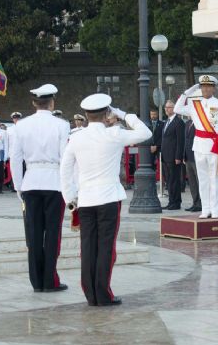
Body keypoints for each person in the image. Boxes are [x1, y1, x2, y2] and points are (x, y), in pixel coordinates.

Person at [60, 93, 152, 306]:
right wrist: (122, 114)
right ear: (106, 114)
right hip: (109, 198)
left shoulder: (76, 137)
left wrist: (69, 198)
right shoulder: (115, 134)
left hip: (85, 199)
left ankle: (90, 294)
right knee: (106, 247)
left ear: (85, 114)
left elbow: (65, 169)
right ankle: (103, 294)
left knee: (87, 247)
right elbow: (145, 132)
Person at [10, 84, 71, 293]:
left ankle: (36, 281)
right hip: (54, 182)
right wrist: (69, 185)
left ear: (34, 103)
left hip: (31, 181)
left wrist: (18, 185)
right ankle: (50, 279)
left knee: (33, 233)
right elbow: (66, 158)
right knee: (53, 233)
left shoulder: (21, 126)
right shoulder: (61, 125)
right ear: (52, 102)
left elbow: (16, 159)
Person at [174, 75, 218, 219]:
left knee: (215, 180)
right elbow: (177, 108)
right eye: (203, 86)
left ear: (213, 88)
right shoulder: (194, 105)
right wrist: (188, 92)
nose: (205, 89)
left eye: (208, 86)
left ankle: (215, 209)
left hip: (215, 146)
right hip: (199, 146)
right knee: (203, 179)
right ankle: (205, 209)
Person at [161, 100, 185, 210]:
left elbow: (180, 141)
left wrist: (178, 156)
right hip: (165, 156)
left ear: (174, 108)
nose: (167, 109)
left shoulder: (178, 122)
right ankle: (171, 201)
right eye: (166, 107)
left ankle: (176, 202)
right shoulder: (166, 122)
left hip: (173, 157)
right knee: (169, 180)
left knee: (174, 180)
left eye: (169, 107)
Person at [183, 110, 201, 212]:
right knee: (192, 182)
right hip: (188, 157)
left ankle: (201, 203)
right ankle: (195, 202)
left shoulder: (199, 123)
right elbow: (185, 140)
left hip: (196, 156)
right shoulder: (188, 123)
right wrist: (183, 155)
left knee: (199, 181)